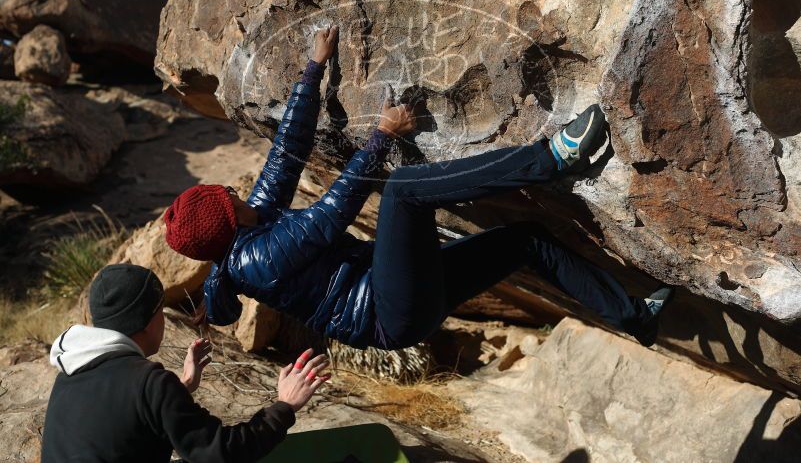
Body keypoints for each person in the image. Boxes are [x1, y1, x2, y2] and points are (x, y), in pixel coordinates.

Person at [164, 26, 673, 351]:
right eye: (222, 196)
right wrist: (380, 137)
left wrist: (314, 69)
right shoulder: (257, 262)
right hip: (388, 315)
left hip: (398, 294)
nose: (232, 189)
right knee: (404, 189)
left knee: (525, 241)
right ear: (224, 219)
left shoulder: (253, 222)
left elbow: (286, 155)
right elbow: (331, 216)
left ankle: (634, 319)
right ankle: (556, 158)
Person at [41, 263, 329, 463]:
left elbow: (118, 423)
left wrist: (182, 387)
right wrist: (285, 406)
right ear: (147, 321)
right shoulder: (148, 382)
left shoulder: (69, 373)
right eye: (159, 310)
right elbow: (221, 453)